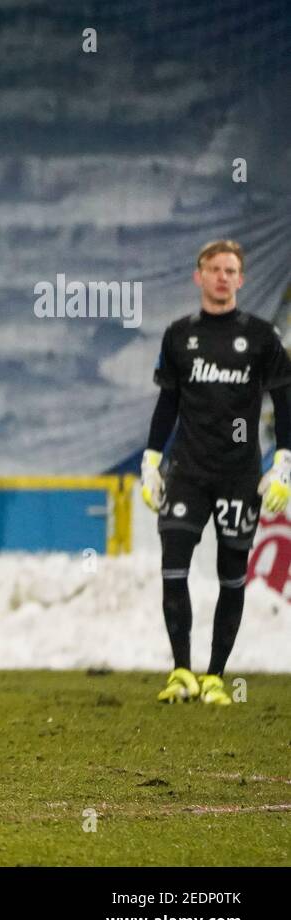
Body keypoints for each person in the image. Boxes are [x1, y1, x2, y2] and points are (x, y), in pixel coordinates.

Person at [140, 239, 291, 705]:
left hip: (238, 474)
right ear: (199, 276)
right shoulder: (179, 335)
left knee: (232, 574)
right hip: (186, 469)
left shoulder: (262, 338)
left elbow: (283, 401)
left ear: (241, 279)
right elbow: (168, 401)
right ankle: (180, 672)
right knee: (173, 569)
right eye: (214, 268)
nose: (223, 276)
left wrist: (284, 461)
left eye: (231, 269)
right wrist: (150, 459)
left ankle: (215, 677)